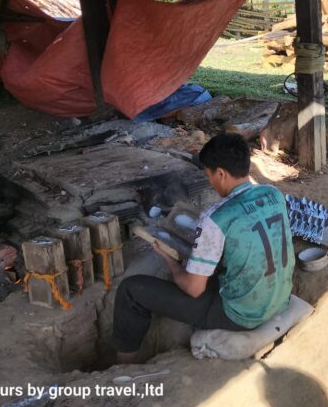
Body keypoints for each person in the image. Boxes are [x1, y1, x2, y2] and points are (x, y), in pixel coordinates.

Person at [113, 133, 295, 363]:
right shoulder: (273, 194)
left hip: (241, 315)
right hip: (279, 299)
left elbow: (194, 289)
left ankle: (125, 366)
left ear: (221, 173)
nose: (210, 182)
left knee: (130, 290)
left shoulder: (216, 218)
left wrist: (171, 262)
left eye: (209, 175)